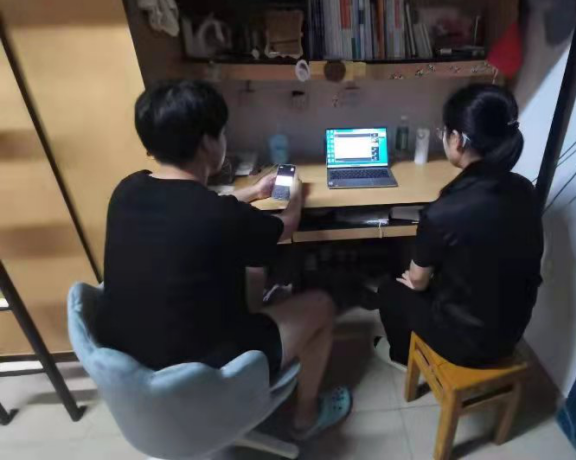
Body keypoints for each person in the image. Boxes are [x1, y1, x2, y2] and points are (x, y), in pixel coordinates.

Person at [97, 80, 351, 439]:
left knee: (253, 268)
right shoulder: (217, 216)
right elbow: (287, 225)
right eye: (222, 132)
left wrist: (252, 191)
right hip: (202, 374)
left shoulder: (127, 190)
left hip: (133, 370)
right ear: (207, 143)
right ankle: (306, 418)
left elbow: (199, 209)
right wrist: (295, 194)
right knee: (322, 305)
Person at [375, 84, 544, 370]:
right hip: (511, 333)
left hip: (466, 345)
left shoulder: (443, 212)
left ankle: (401, 357)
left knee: (390, 292)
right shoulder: (524, 189)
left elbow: (418, 281)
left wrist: (415, 278)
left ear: (458, 140)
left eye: (444, 131)